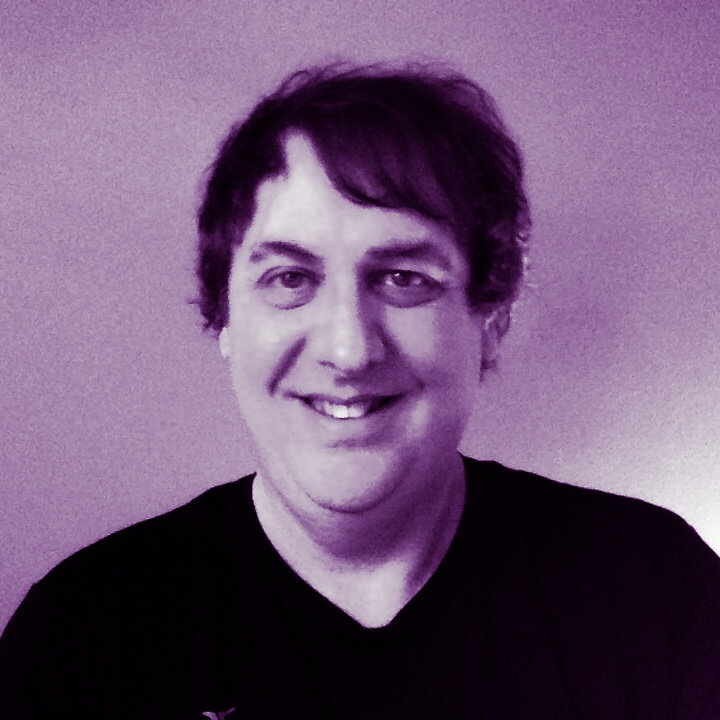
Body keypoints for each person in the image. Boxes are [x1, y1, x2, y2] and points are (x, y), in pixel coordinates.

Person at [1, 61, 719, 719]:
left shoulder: (658, 595)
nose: (348, 350)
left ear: (491, 321)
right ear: (225, 319)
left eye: (403, 279)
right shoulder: (79, 643)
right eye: (290, 279)